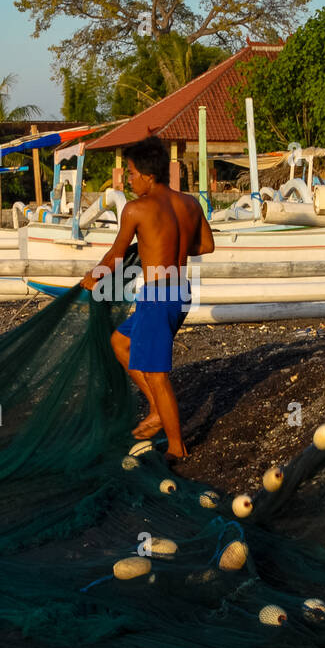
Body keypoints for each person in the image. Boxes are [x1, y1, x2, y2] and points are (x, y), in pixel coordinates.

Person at [80, 136, 214, 461]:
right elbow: (207, 246)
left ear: (148, 175)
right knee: (120, 342)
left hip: (157, 296)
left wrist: (91, 278)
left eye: (131, 173)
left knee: (157, 374)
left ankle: (176, 447)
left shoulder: (136, 209)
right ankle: (156, 410)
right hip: (181, 292)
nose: (129, 179)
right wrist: (169, 245)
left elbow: (115, 256)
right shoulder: (190, 203)